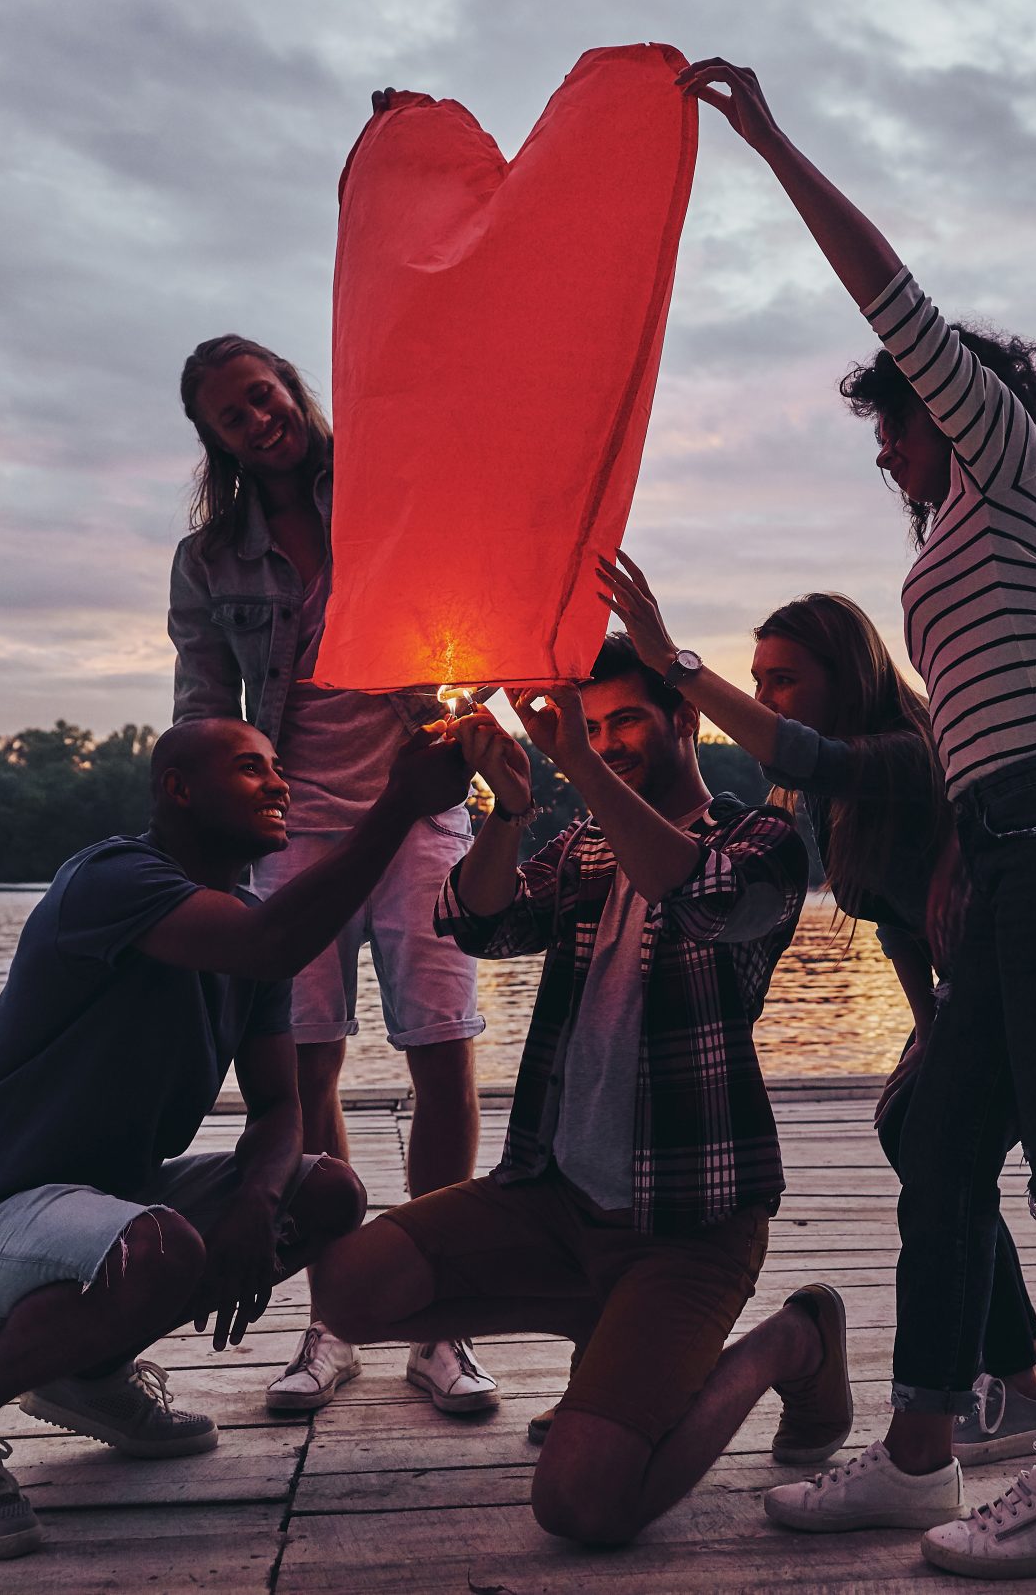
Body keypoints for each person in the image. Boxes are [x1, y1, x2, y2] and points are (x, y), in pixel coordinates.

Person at [682, 57, 1036, 1579]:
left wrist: (769, 143)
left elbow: (890, 292)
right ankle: (915, 1456)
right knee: (934, 1133)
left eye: (893, 424)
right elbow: (895, 756)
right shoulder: (967, 528)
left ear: (948, 405)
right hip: (1020, 845)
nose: (888, 449)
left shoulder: (1007, 464)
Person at [309, 638, 852, 1547]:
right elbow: (474, 922)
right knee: (348, 1290)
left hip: (688, 1228)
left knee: (584, 1507)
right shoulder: (587, 847)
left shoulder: (761, 842)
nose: (607, 742)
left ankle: (792, 1341)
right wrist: (512, 810)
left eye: (627, 720)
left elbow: (703, 897)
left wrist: (575, 764)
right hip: (553, 1201)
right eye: (592, 728)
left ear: (685, 718)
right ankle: (597, 1332)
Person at [0, 718, 468, 1559]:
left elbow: (277, 1108)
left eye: (277, 769)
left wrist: (255, 1206)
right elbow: (276, 943)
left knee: (328, 1192)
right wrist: (401, 803)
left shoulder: (251, 922)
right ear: (178, 790)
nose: (278, 784)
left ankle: (88, 1374)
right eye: (248, 769)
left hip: (99, 1217)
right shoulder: (112, 879)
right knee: (160, 1249)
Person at [593, 560, 1036, 1467]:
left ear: (844, 677)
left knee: (934, 1161)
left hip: (1022, 986)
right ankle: (1024, 1366)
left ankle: (1014, 1382)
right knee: (913, 1140)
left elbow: (800, 754)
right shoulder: (837, 799)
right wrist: (926, 1029)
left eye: (784, 678)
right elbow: (899, 924)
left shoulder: (897, 753)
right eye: (759, 678)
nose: (769, 694)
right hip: (963, 995)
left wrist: (673, 662)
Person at [170, 333, 500, 1419]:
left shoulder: (391, 487)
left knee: (441, 1053)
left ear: (290, 389)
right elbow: (204, 704)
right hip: (293, 824)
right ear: (213, 438)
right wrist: (208, 835)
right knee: (306, 1069)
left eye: (262, 395)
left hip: (420, 805)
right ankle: (338, 1314)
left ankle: (440, 1316)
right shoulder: (211, 558)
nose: (255, 418)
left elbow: (483, 598)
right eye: (231, 414)